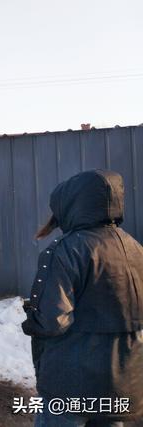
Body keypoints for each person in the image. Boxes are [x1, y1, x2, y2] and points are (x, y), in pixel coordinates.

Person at [22, 169, 143, 426]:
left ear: (72, 205)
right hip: (121, 381)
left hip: (70, 382)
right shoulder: (135, 248)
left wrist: (32, 316)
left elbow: (52, 321)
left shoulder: (66, 250)